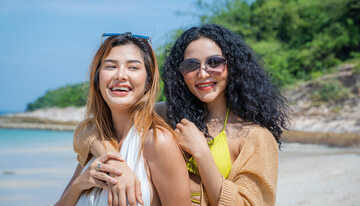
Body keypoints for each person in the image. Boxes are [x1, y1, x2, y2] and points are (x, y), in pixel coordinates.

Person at [73, 24, 290, 205]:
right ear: (181, 73)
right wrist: (115, 163)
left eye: (215, 62)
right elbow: (90, 129)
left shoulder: (256, 137)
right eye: (191, 65)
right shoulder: (166, 114)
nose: (203, 73)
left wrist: (202, 154)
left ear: (233, 66)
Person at [55, 33, 191, 206]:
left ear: (148, 82)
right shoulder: (95, 143)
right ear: (97, 80)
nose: (120, 75)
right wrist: (79, 184)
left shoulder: (157, 142)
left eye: (133, 68)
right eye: (111, 66)